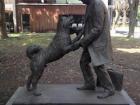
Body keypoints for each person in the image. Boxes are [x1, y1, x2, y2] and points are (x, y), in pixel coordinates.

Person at [72, 0, 115, 98]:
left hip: (98, 42)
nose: (81, 1)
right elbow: (87, 25)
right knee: (83, 62)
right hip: (90, 41)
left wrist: (82, 42)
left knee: (98, 66)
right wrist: (78, 34)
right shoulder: (90, 5)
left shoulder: (97, 4)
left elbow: (97, 28)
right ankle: (90, 83)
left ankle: (109, 89)